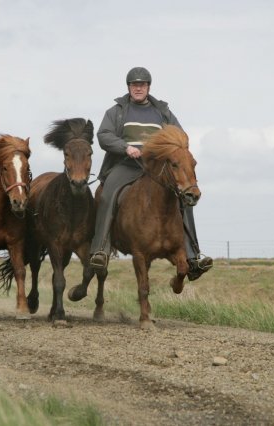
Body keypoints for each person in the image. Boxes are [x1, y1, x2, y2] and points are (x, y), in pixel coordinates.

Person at [89, 66, 213, 281]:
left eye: (142, 84)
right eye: (134, 85)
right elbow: (103, 135)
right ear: (128, 87)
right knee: (107, 193)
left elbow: (180, 134)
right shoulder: (117, 111)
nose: (138, 88)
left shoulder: (162, 111)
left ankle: (193, 256)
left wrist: (168, 149)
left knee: (185, 197)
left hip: (157, 168)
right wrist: (125, 147)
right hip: (127, 165)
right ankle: (100, 250)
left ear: (148, 87)